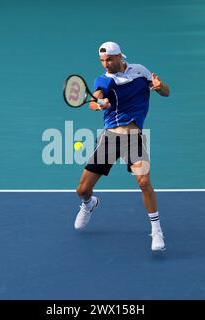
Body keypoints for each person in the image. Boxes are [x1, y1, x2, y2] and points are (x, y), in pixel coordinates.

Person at [74, 41, 170, 251]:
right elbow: (93, 101)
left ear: (119, 57)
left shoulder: (140, 72)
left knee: (144, 181)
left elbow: (166, 92)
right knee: (82, 189)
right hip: (110, 138)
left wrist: (159, 86)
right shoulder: (104, 81)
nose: (105, 64)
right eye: (102, 61)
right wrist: (99, 104)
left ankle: (156, 231)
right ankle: (89, 204)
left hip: (134, 137)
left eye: (109, 59)